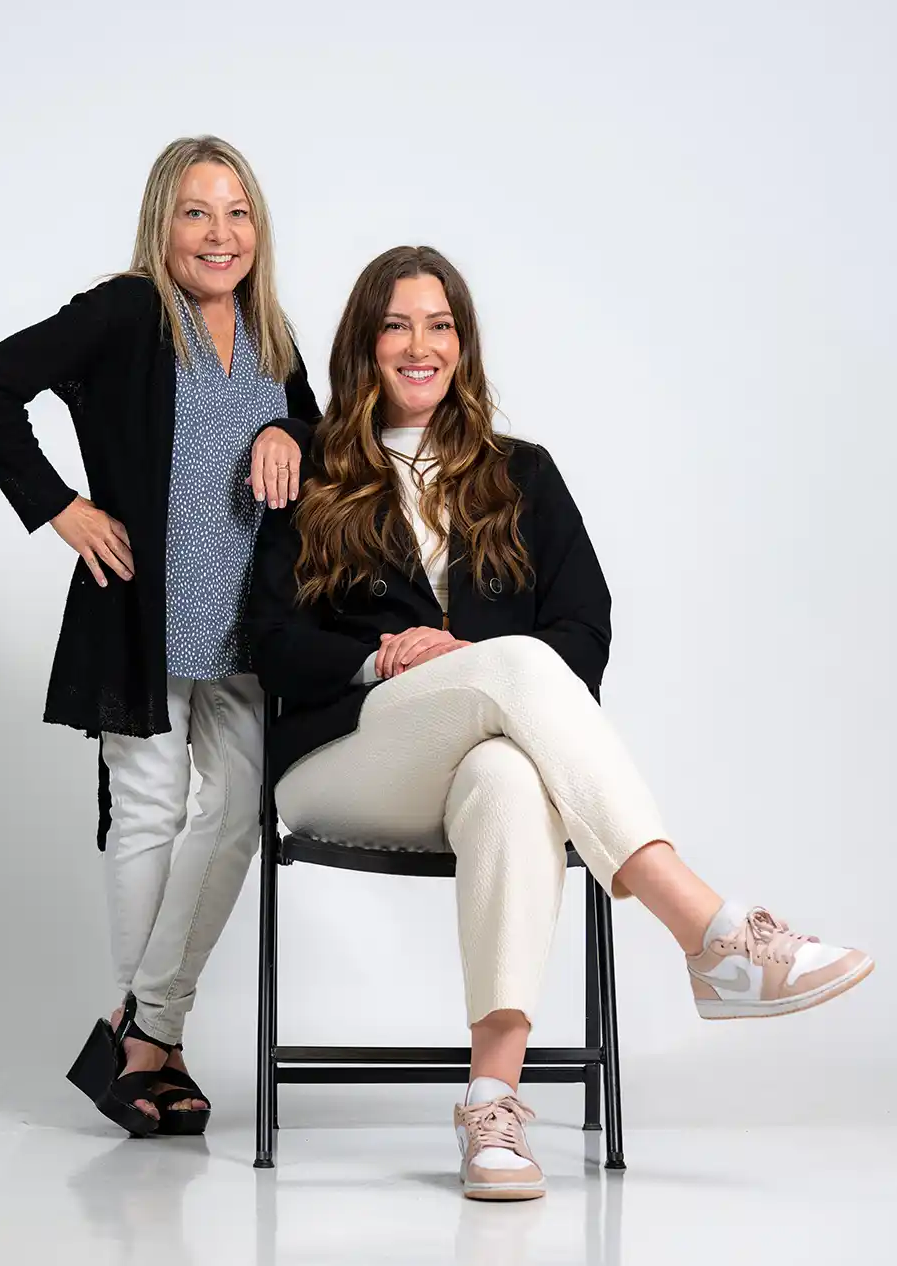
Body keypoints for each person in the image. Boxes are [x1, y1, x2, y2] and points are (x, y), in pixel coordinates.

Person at [246, 245, 873, 1202]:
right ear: (363, 345)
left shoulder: (522, 474)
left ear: (464, 344)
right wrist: (383, 658)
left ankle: (492, 1107)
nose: (420, 346)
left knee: (507, 771)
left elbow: (585, 628)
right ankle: (710, 933)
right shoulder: (314, 469)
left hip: (477, 766)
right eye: (396, 326)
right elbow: (272, 643)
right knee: (515, 664)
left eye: (441, 325)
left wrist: (479, 668)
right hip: (345, 756)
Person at [0, 135, 320, 1138]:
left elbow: (319, 445)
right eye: (197, 211)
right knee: (150, 815)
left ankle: (142, 1026)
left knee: (236, 813)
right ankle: (159, 1043)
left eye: (238, 212)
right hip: (143, 615)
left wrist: (288, 430)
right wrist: (60, 507)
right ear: (164, 221)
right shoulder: (124, 313)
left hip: (248, 627)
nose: (220, 233)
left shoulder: (272, 332)